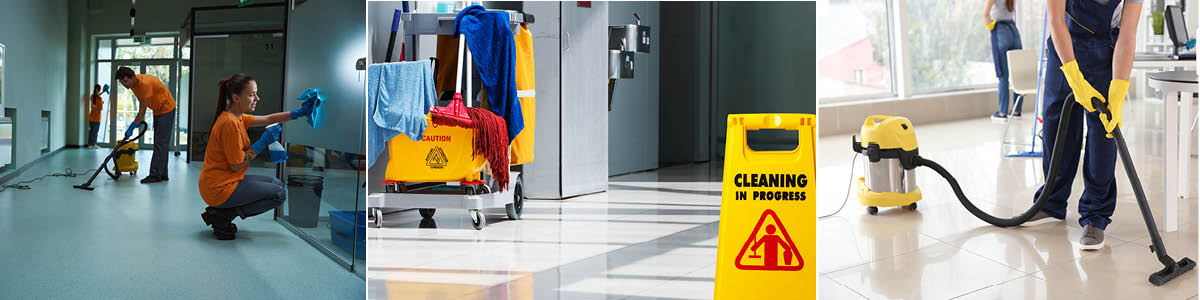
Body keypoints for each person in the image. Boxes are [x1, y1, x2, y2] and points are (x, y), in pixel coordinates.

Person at [1025, 0, 1142, 251]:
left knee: (1102, 134)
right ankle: (1050, 203)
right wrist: (1074, 77)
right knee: (1057, 127)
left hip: (1104, 50)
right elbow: (1056, 22)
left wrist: (1118, 91)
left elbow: (1127, 33)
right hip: (1063, 46)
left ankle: (1095, 216)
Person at [198, 73, 313, 240]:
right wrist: (262, 142)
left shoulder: (237, 117)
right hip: (219, 188)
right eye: (251, 94)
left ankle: (222, 212)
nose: (257, 98)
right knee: (279, 194)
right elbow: (236, 165)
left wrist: (300, 112)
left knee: (277, 184)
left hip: (225, 180)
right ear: (236, 98)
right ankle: (223, 214)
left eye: (256, 93)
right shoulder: (229, 123)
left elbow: (268, 118)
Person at [115, 67, 176, 183]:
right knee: (161, 143)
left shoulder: (144, 84)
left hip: (167, 109)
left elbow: (142, 110)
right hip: (158, 110)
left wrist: (133, 126)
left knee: (160, 143)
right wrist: (137, 122)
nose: (124, 85)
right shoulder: (133, 85)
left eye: (125, 81)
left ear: (133, 77)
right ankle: (163, 174)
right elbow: (142, 103)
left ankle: (155, 175)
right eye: (122, 82)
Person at [986, 0, 1023, 120]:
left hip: (1001, 31)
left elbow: (986, 14)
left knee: (1003, 75)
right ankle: (1017, 111)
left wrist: (990, 26)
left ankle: (1003, 112)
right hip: (1014, 31)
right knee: (1017, 73)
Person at [86, 84, 103, 148]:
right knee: (95, 132)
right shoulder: (100, 98)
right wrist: (101, 103)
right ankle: (93, 144)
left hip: (91, 117)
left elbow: (94, 104)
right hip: (97, 118)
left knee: (91, 132)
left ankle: (89, 144)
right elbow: (101, 108)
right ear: (99, 90)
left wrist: (96, 106)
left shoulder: (92, 96)